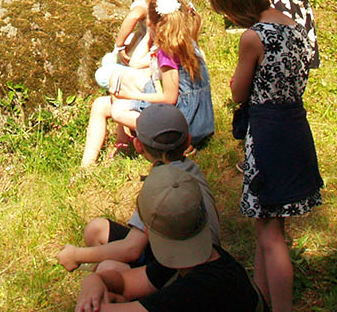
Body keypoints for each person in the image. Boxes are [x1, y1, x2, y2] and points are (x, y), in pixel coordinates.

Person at [62, 164, 283, 312]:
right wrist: (95, 282)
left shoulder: (199, 288)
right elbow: (127, 283)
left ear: (146, 231)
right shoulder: (198, 258)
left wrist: (98, 295)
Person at [208, 0, 322, 312]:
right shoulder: (291, 24)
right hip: (295, 125)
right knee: (269, 229)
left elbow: (240, 92)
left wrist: (234, 83)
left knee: (272, 238)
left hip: (268, 132)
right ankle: (258, 310)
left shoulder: (253, 37)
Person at [57, 105, 222, 273]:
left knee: (108, 269)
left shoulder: (163, 186)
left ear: (138, 145)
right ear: (188, 140)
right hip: (193, 250)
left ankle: (119, 289)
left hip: (182, 264)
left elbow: (132, 250)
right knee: (96, 230)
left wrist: (77, 255)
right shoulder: (189, 170)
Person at [82, 0, 214, 167]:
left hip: (186, 123)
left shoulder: (168, 51)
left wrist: (132, 95)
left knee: (118, 110)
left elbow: (169, 98)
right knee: (101, 104)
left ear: (151, 22)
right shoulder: (183, 39)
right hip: (200, 117)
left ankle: (163, 144)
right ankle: (90, 164)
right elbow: (137, 64)